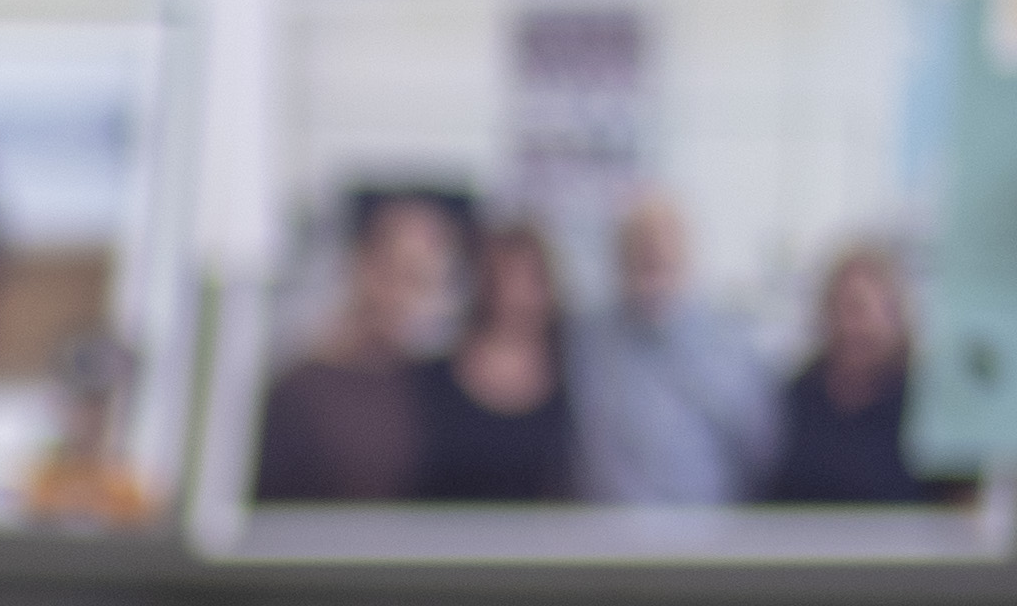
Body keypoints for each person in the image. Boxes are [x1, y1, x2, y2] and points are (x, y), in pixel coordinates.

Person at [255, 187, 465, 501]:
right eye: (403, 275)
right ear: (363, 265)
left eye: (426, 283)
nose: (410, 300)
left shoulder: (432, 384)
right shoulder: (298, 391)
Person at [568, 191, 775, 508]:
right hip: (605, 531)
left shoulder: (732, 346)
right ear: (619, 257)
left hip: (708, 529)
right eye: (640, 246)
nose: (653, 252)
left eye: (665, 245)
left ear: (686, 254)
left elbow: (759, 453)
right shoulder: (586, 341)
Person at [408, 216, 578, 502]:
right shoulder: (432, 372)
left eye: (530, 279)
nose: (517, 294)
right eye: (506, 278)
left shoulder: (576, 370)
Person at [768, 243, 952, 504]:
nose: (852, 326)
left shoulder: (926, 403)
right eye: (841, 309)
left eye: (862, 309)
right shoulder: (798, 396)